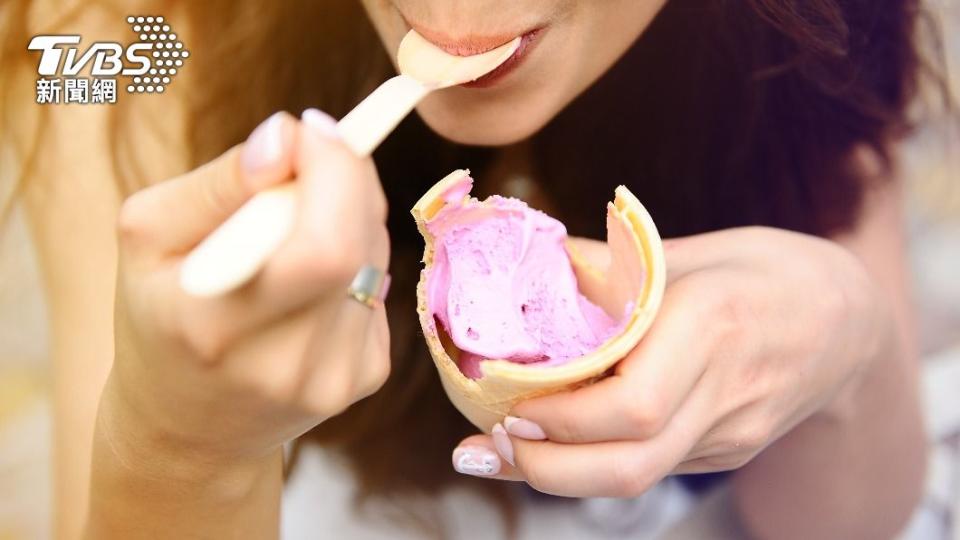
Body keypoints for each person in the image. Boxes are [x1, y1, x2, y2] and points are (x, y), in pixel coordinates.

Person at [0, 0, 933, 538]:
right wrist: (180, 449)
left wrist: (849, 345)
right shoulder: (120, 39)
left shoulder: (793, 28)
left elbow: (852, 523)